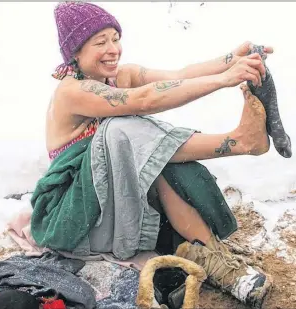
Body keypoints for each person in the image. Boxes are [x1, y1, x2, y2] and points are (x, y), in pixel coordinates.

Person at [32, 2, 274, 308]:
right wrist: (225, 80)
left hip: (118, 209)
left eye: (115, 38)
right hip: (76, 222)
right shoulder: (71, 91)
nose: (112, 49)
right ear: (75, 53)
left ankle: (218, 262)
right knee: (121, 130)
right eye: (100, 42)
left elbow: (180, 75)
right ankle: (238, 142)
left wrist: (231, 59)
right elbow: (143, 100)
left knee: (155, 158)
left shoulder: (122, 75)